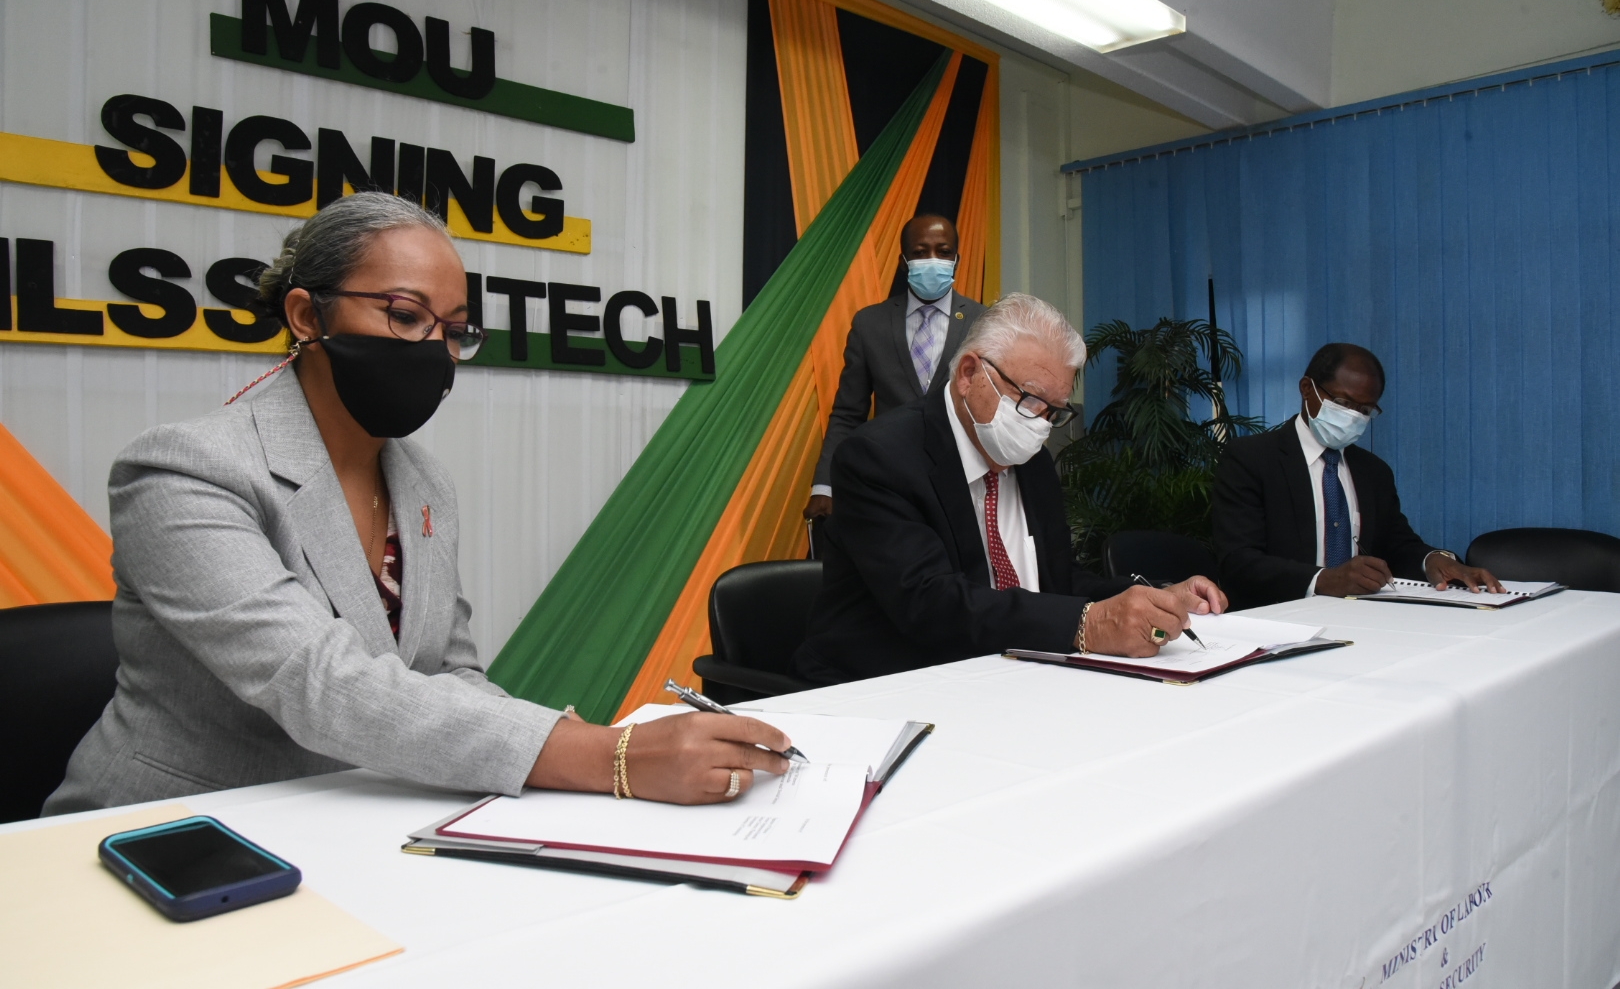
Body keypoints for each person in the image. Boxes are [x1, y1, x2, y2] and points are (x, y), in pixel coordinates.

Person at [44, 193, 789, 815]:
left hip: (356, 817)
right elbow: (316, 683)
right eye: (405, 315)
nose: (434, 349)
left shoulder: (423, 481)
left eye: (455, 330)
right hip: (173, 830)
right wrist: (607, 757)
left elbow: (448, 672)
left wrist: (565, 744)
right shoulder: (185, 468)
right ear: (306, 316)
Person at [793, 292, 1227, 685]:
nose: (1039, 424)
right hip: (889, 687)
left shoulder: (1032, 462)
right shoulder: (879, 458)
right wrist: (1087, 624)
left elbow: (1056, 581)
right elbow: (931, 605)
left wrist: (1154, 600)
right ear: (969, 374)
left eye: (1054, 411)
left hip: (1013, 677)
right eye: (1030, 400)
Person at [1211, 342, 1502, 610]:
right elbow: (1238, 561)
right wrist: (1325, 580)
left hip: (1362, 617)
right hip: (1277, 618)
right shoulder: (1251, 459)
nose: (1353, 416)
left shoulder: (1373, 471)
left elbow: (1397, 545)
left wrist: (1434, 560)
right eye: (1343, 402)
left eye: (1365, 409)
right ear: (1307, 389)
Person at [802, 213, 985, 523]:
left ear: (956, 260)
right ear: (903, 262)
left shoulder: (984, 323)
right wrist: (825, 485)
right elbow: (848, 414)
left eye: (943, 252)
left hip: (964, 485)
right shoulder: (869, 323)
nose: (932, 260)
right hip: (887, 485)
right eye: (919, 252)